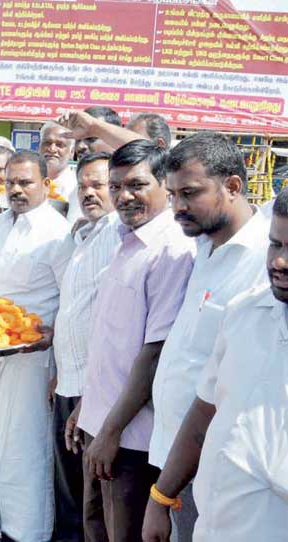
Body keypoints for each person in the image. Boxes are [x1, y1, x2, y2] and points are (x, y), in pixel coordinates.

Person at [142, 188, 288, 542]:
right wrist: (161, 496)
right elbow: (205, 409)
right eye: (275, 244)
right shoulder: (245, 312)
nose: (279, 261)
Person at [76, 140, 195, 542]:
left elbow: (155, 352)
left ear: (164, 183)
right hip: (102, 427)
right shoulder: (128, 242)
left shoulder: (172, 251)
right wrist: (87, 410)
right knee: (96, 529)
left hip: (130, 441)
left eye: (137, 184)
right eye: (116, 186)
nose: (123, 196)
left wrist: (109, 431)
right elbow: (113, 343)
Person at [0, 151, 75, 541]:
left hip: (32, 351)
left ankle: (24, 527)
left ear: (45, 184)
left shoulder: (58, 233)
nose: (18, 189)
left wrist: (52, 340)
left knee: (23, 436)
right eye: (12, 182)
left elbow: (68, 297)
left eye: (26, 182)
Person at [52, 152, 119, 542]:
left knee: (89, 499)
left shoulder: (117, 234)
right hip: (70, 381)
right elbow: (75, 311)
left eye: (100, 184)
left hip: (91, 391)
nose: (90, 192)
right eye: (84, 186)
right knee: (70, 490)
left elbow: (108, 325)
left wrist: (87, 397)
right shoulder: (87, 234)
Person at [39, 122, 79, 223]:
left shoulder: (77, 186)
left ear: (71, 152)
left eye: (60, 145)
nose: (52, 149)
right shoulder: (27, 182)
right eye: (47, 143)